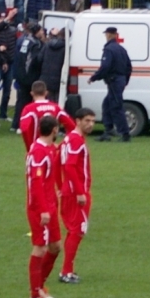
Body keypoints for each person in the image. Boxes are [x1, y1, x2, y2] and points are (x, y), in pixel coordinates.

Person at [25, 114, 62, 298]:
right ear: (54, 130)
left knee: (55, 247)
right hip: (40, 208)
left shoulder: (48, 149)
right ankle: (34, 296)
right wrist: (42, 210)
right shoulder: (38, 152)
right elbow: (36, 183)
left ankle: (40, 287)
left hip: (50, 206)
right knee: (40, 248)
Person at [59, 107, 96, 283]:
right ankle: (66, 272)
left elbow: (58, 161)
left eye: (93, 121)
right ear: (78, 121)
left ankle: (67, 270)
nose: (91, 124)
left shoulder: (69, 139)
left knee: (73, 231)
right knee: (77, 231)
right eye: (87, 121)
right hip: (76, 193)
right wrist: (80, 192)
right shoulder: (76, 140)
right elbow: (69, 166)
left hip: (70, 190)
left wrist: (60, 186)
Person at [88, 26, 132, 142]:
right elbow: (129, 67)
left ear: (109, 35)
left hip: (114, 81)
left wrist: (94, 77)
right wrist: (125, 81)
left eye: (106, 34)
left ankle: (125, 134)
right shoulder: (121, 49)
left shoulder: (109, 49)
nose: (106, 36)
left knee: (116, 107)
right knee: (107, 104)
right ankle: (108, 131)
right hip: (119, 80)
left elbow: (105, 67)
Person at [20, 80, 75, 150]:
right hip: (51, 149)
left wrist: (29, 147)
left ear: (32, 93)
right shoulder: (55, 107)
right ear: (46, 93)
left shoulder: (28, 109)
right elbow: (72, 126)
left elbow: (24, 129)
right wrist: (62, 145)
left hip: (36, 148)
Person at [11, 22, 45, 132]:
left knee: (21, 101)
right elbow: (35, 61)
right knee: (27, 102)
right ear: (36, 31)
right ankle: (23, 125)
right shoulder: (35, 43)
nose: (42, 32)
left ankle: (16, 124)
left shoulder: (24, 40)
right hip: (29, 76)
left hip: (21, 75)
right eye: (41, 30)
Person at [0, 16, 17, 121]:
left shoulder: (13, 31)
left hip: (11, 63)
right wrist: (3, 61)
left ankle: (3, 114)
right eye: (0, 18)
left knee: (7, 90)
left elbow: (13, 48)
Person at [39, 28, 67, 101]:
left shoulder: (47, 44)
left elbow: (39, 58)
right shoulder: (66, 47)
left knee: (46, 100)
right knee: (57, 101)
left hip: (45, 77)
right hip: (59, 78)